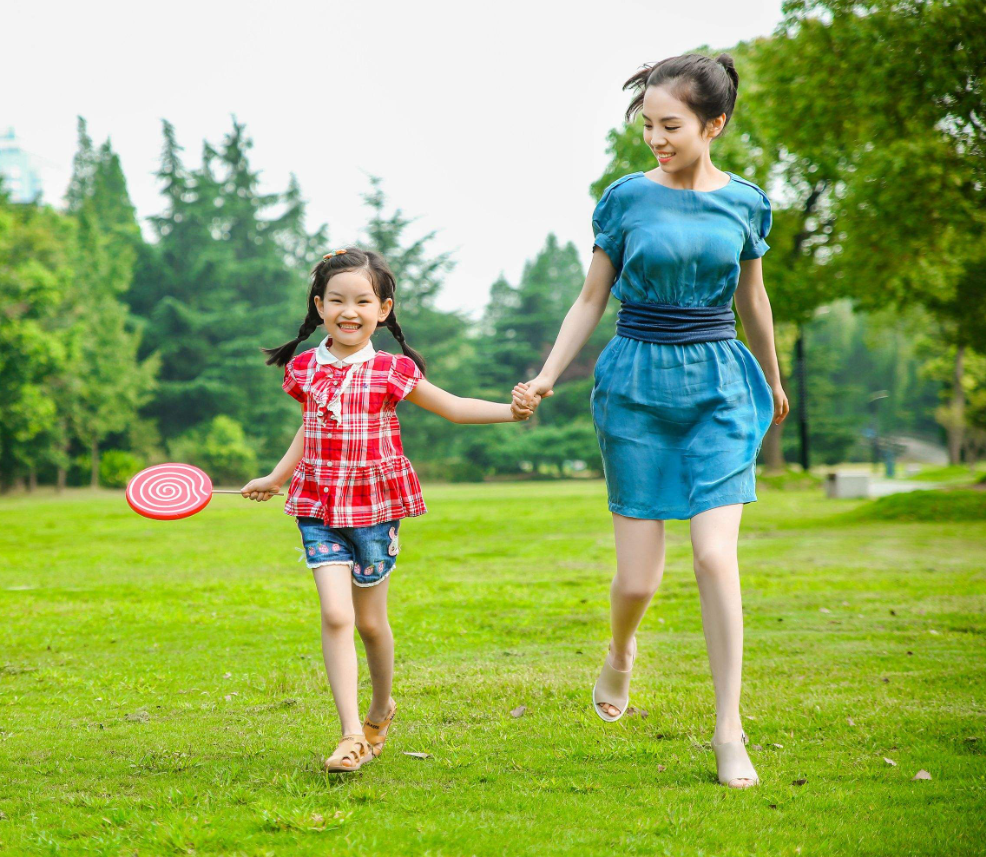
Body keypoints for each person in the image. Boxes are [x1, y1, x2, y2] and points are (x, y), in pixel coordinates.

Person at [517, 54, 790, 788]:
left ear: (714, 124)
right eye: (646, 125)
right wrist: (546, 373)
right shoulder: (624, 199)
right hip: (636, 384)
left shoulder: (747, 203)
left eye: (669, 125)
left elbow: (752, 300)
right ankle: (619, 654)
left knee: (712, 555)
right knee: (636, 581)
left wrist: (771, 376)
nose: (655, 138)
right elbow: (589, 298)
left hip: (718, 387)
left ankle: (728, 728)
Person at [244, 246, 538, 772]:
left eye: (362, 300)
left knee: (371, 624)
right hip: (318, 503)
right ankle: (351, 734)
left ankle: (382, 707)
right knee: (336, 615)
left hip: (376, 506)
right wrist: (275, 477)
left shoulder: (390, 371)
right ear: (319, 306)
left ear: (383, 309)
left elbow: (452, 407)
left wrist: (510, 413)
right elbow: (309, 429)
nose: (348, 310)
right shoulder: (306, 368)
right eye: (336, 300)